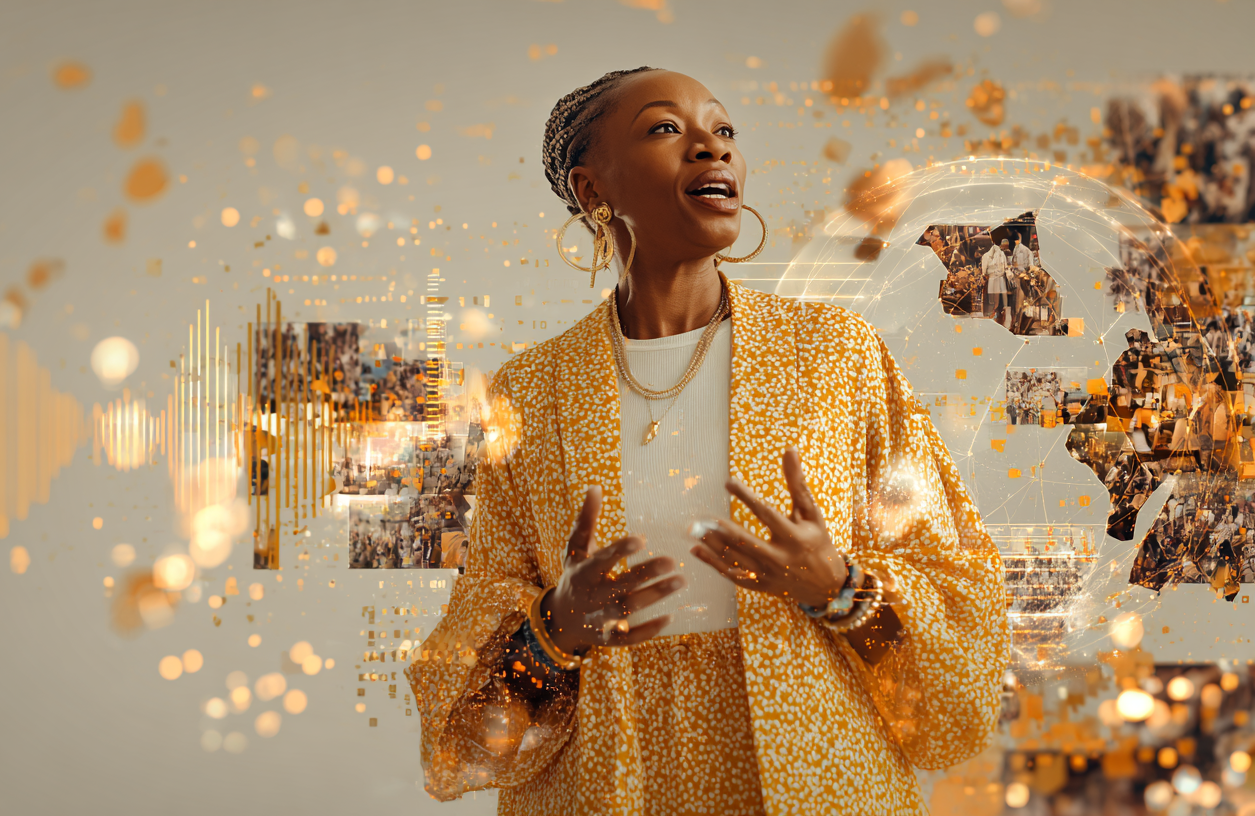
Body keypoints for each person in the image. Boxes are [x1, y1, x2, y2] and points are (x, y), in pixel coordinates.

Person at [406, 68, 1008, 815]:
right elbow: (481, 617)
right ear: (592, 191)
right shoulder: (528, 393)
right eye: (666, 129)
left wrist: (841, 587)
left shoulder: (833, 353)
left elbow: (956, 575)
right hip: (605, 776)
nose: (710, 150)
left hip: (814, 769)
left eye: (723, 132)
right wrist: (557, 626)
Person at [983, 235, 1011, 329]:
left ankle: (1000, 318)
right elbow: (984, 272)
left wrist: (1008, 273)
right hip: (993, 280)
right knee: (993, 301)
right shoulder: (987, 256)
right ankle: (994, 318)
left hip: (999, 279)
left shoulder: (1001, 254)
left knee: (1000, 301)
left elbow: (1005, 267)